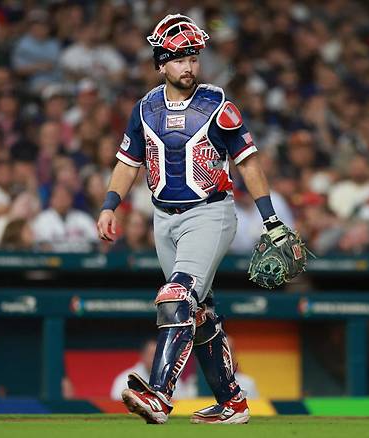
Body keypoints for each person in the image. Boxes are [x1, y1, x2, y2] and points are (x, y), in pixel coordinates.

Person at [97, 14, 290, 425]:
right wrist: (110, 205)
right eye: (180, 58)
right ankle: (233, 402)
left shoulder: (219, 104)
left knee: (176, 296)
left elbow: (249, 164)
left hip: (210, 213)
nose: (188, 66)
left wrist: (271, 221)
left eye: (193, 58)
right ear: (161, 62)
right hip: (163, 219)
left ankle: (159, 396)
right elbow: (127, 163)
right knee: (197, 312)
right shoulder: (145, 108)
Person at [110, 339, 196, 401]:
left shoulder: (171, 378)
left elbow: (182, 403)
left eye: (159, 355)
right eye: (151, 354)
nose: (155, 359)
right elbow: (115, 405)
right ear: (142, 356)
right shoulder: (125, 378)